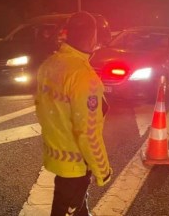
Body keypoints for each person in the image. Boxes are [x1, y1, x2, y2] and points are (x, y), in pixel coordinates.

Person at [35, 11, 112, 216]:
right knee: (67, 207)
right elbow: (88, 132)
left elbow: (40, 107)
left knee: (75, 206)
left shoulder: (49, 64)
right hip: (76, 165)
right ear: (93, 37)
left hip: (57, 155)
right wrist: (102, 169)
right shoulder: (84, 76)